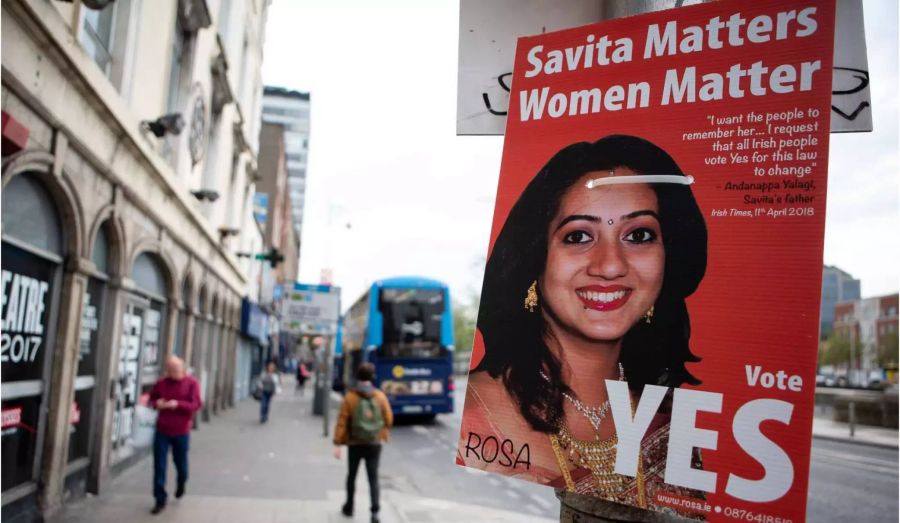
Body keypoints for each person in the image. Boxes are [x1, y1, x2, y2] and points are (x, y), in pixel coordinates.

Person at [458, 135, 708, 515]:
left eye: (639, 235)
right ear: (534, 258)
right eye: (578, 236)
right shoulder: (482, 415)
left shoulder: (670, 416)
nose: (610, 265)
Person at [333, 362, 393, 523]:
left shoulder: (350, 397)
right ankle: (374, 513)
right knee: (373, 478)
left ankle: (349, 507)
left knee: (351, 476)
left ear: (358, 377)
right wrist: (382, 432)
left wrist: (337, 443)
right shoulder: (380, 396)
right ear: (372, 377)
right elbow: (389, 418)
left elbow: (342, 421)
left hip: (355, 443)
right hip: (374, 444)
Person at [147, 355, 202, 515]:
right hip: (162, 430)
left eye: (176, 370)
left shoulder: (192, 383)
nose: (173, 373)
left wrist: (177, 404)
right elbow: (151, 399)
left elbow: (196, 404)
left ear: (183, 369)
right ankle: (159, 499)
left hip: (181, 431)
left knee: (181, 464)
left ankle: (181, 482)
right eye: (170, 370)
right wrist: (157, 403)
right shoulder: (162, 383)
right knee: (159, 465)